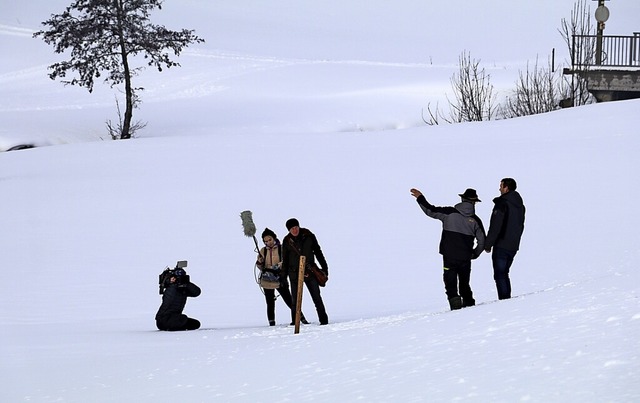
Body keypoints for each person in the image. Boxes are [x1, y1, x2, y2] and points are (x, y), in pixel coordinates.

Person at [410, 188, 486, 310]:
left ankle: (456, 311)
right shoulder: (476, 220)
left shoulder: (449, 213)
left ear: (462, 199)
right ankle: (471, 310)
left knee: (450, 285)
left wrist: (420, 197)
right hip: (465, 258)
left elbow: (430, 210)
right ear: (474, 202)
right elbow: (482, 242)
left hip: (449, 257)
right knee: (464, 285)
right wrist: (474, 254)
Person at [256, 228, 308, 326]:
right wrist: (260, 262)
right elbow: (260, 266)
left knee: (289, 300)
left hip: (280, 279)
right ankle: (272, 323)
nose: (268, 243)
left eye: (269, 240)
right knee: (270, 303)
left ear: (274, 238)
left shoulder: (282, 248)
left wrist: (278, 267)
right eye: (265, 241)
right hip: (267, 280)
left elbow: (286, 261)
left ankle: (300, 318)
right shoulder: (263, 251)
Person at [281, 218, 329, 325]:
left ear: (299, 226)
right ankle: (295, 322)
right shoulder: (287, 240)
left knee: (317, 297)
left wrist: (324, 267)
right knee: (295, 301)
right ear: (289, 230)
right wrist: (283, 277)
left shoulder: (308, 235)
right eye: (292, 228)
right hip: (294, 273)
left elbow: (318, 251)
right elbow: (285, 260)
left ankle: (324, 321)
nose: (295, 230)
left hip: (310, 271)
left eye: (296, 227)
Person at [484, 178, 526, 300]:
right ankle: (506, 299)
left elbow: (496, 225)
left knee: (500, 274)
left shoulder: (502, 203)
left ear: (506, 188)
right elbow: (520, 225)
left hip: (502, 244)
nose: (499, 188)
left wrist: (488, 244)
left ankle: (504, 301)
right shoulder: (520, 206)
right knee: (504, 273)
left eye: (501, 186)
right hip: (513, 245)